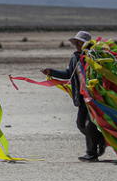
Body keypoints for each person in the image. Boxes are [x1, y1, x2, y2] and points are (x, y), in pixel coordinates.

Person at [42, 31, 106, 162]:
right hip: (81, 98)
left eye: (80, 42)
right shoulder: (74, 57)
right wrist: (51, 72)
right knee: (80, 124)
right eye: (76, 42)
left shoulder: (94, 56)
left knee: (90, 125)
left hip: (93, 97)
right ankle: (101, 140)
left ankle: (91, 153)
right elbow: (68, 74)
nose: (77, 44)